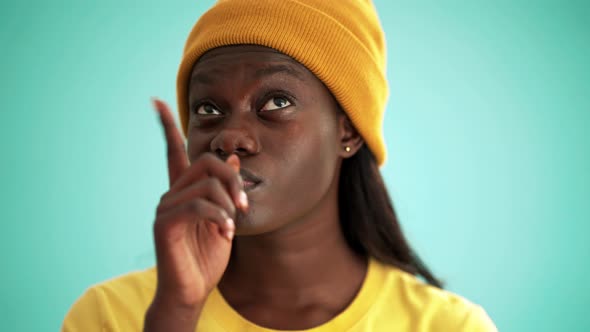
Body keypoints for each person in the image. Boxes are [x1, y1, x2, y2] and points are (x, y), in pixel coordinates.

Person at [62, 0, 498, 331]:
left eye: (277, 102)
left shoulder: (447, 326)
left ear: (348, 131)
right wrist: (178, 311)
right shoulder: (109, 315)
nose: (229, 137)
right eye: (209, 109)